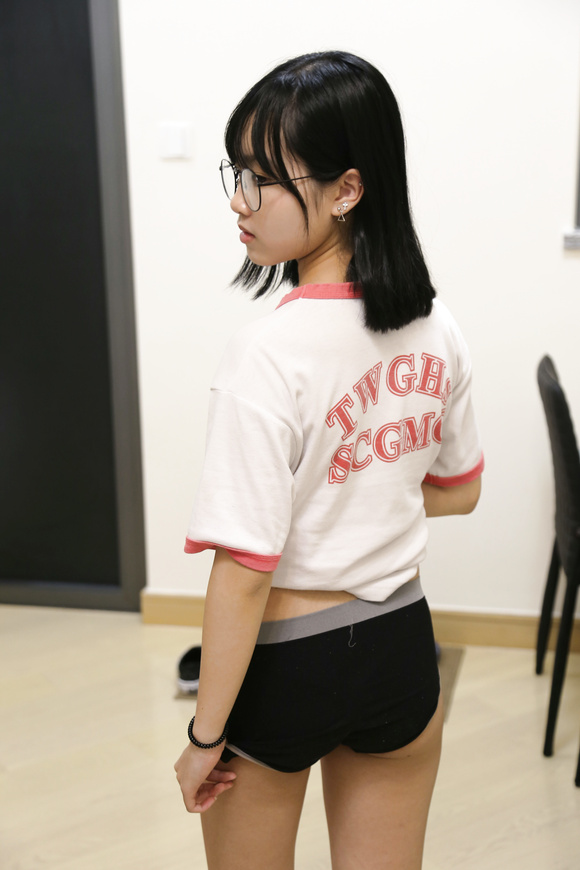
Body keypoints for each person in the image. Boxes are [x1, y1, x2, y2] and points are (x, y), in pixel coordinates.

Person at [174, 50, 483, 870]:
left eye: (262, 180)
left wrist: (204, 737)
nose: (239, 201)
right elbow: (461, 489)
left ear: (347, 189)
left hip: (286, 659)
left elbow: (244, 572)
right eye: (236, 174)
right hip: (401, 645)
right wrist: (364, 488)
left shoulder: (265, 354)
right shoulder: (438, 327)